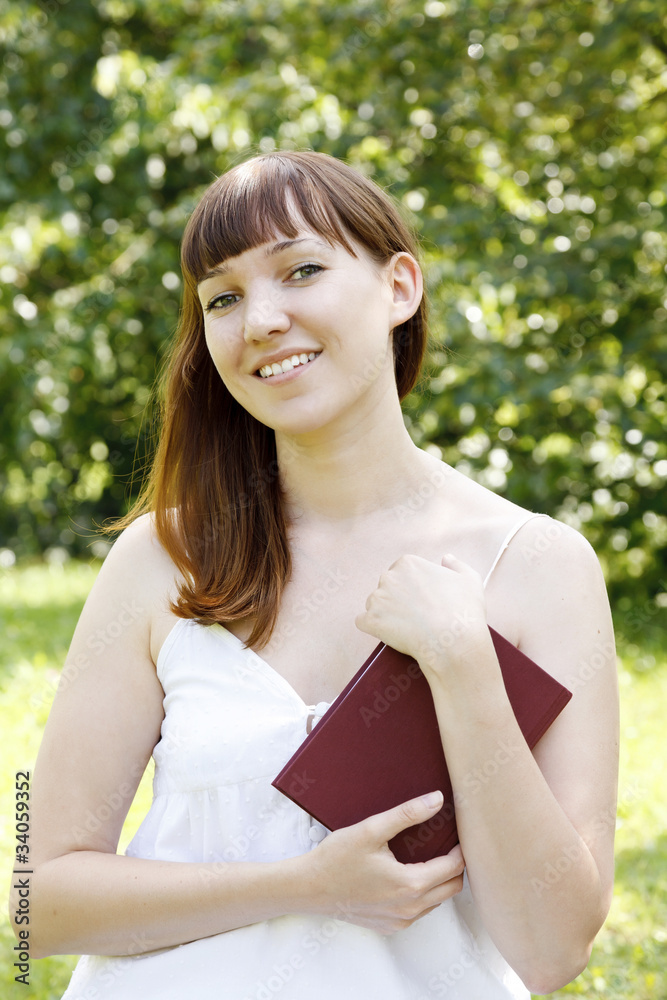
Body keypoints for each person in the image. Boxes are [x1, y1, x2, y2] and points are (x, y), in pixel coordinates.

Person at [15, 150, 619, 999]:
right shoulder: (163, 559)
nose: (260, 318)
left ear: (399, 287)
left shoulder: (539, 567)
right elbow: (32, 900)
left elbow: (553, 950)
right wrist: (306, 884)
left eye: (300, 270)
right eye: (222, 297)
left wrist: (463, 664)